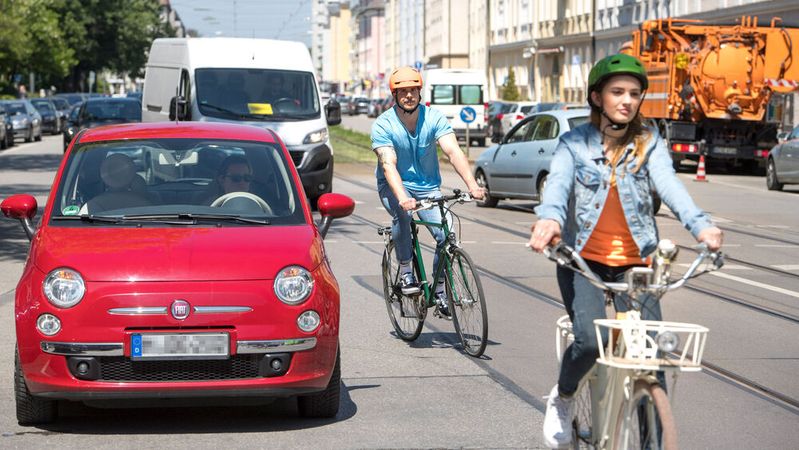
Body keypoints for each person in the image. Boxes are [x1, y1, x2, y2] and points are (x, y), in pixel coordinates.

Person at [526, 54, 724, 448]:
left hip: (637, 265)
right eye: (618, 92)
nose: (627, 100)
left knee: (654, 360)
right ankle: (564, 398)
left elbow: (670, 187)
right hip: (583, 261)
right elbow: (559, 186)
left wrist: (701, 225)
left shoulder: (649, 142)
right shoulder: (574, 143)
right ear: (597, 97)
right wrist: (548, 220)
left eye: (634, 93)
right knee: (587, 340)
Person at [371, 66, 485, 317]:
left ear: (420, 93)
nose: (409, 96)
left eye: (413, 91)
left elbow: (453, 152)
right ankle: (406, 271)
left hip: (428, 187)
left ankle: (441, 291)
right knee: (402, 215)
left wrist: (472, 185)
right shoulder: (384, 124)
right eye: (403, 92)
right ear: (395, 95)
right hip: (395, 186)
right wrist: (402, 198)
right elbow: (388, 165)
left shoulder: (433, 118)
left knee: (448, 236)